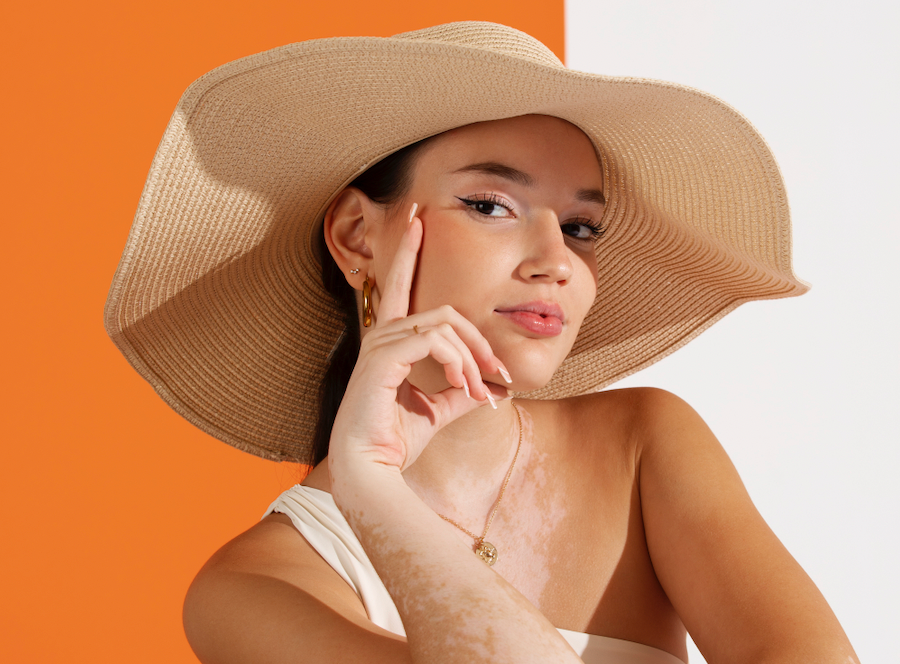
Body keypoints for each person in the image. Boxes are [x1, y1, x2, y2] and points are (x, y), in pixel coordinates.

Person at [105, 22, 861, 664]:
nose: (556, 260)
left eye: (580, 226)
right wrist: (369, 488)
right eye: (491, 204)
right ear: (356, 235)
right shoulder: (252, 591)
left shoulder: (643, 443)